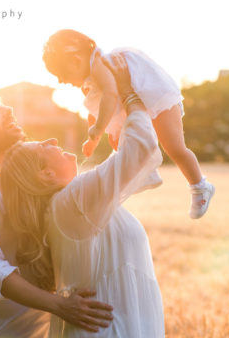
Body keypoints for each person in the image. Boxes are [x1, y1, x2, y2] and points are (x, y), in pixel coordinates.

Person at [0, 54, 165, 337]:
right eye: (43, 147)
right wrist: (126, 93)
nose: (52, 140)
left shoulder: (74, 202)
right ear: (45, 175)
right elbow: (142, 146)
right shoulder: (72, 201)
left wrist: (116, 124)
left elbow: (134, 163)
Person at [0, 94, 113, 338]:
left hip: (61, 329)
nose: (7, 109)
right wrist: (60, 305)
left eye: (2, 104)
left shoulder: (39, 180)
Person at [42, 29, 215, 219]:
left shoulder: (101, 63)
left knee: (174, 147)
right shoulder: (90, 78)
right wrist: (93, 138)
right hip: (134, 101)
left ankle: (200, 186)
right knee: (117, 142)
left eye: (63, 74)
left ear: (76, 60)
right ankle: (144, 172)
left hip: (155, 94)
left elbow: (110, 95)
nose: (62, 81)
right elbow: (96, 109)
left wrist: (99, 128)